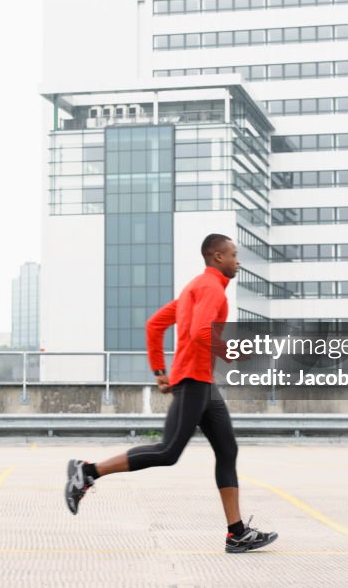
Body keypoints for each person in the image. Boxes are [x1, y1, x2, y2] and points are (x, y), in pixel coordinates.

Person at [64, 233, 277, 554]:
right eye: (233, 254)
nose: (238, 261)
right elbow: (200, 332)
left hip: (203, 383)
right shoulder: (210, 289)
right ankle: (88, 472)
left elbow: (154, 325)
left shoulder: (195, 288)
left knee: (227, 450)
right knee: (167, 452)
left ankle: (236, 533)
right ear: (217, 257)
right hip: (193, 380)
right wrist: (231, 349)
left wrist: (159, 371)